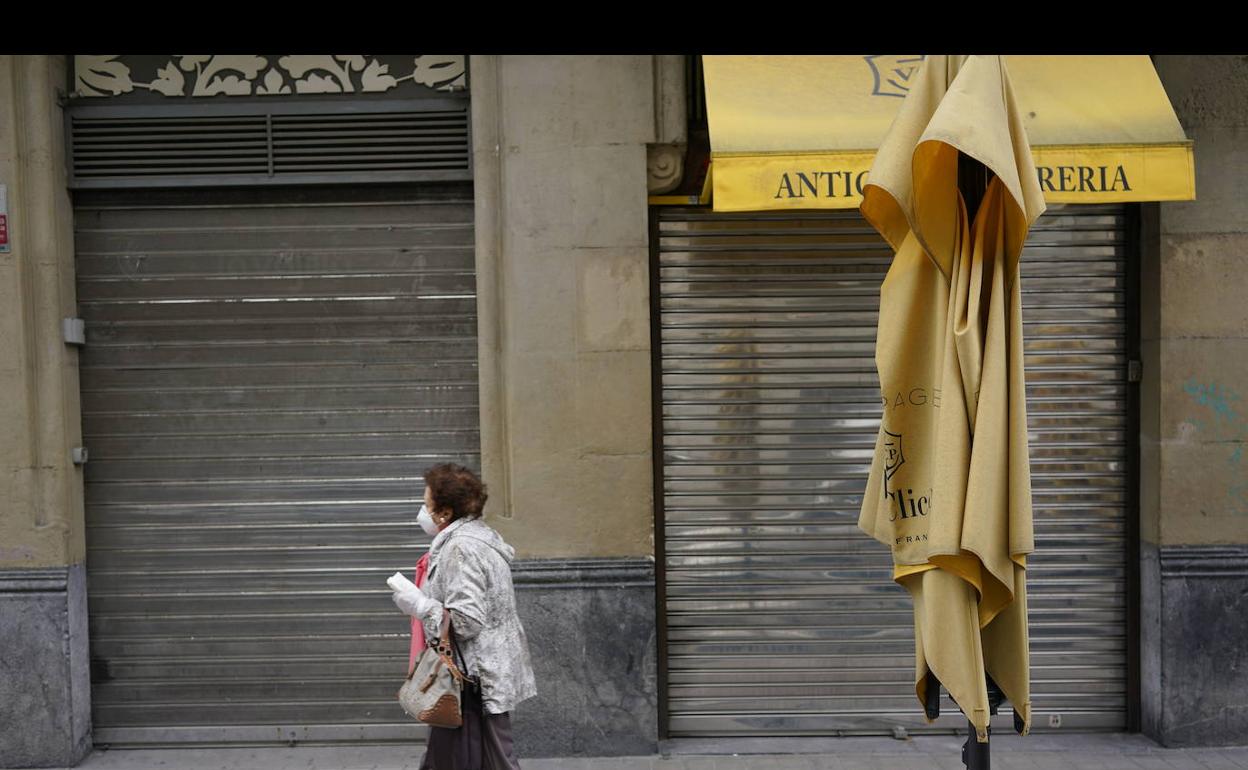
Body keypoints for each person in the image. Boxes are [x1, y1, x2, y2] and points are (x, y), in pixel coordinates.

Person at [390, 463, 536, 769]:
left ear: (444, 513)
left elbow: (467, 622)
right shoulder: (479, 539)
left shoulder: (461, 549)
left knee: (490, 759)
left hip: (473, 679)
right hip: (480, 675)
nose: (421, 510)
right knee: (474, 757)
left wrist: (418, 605)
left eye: (426, 504)